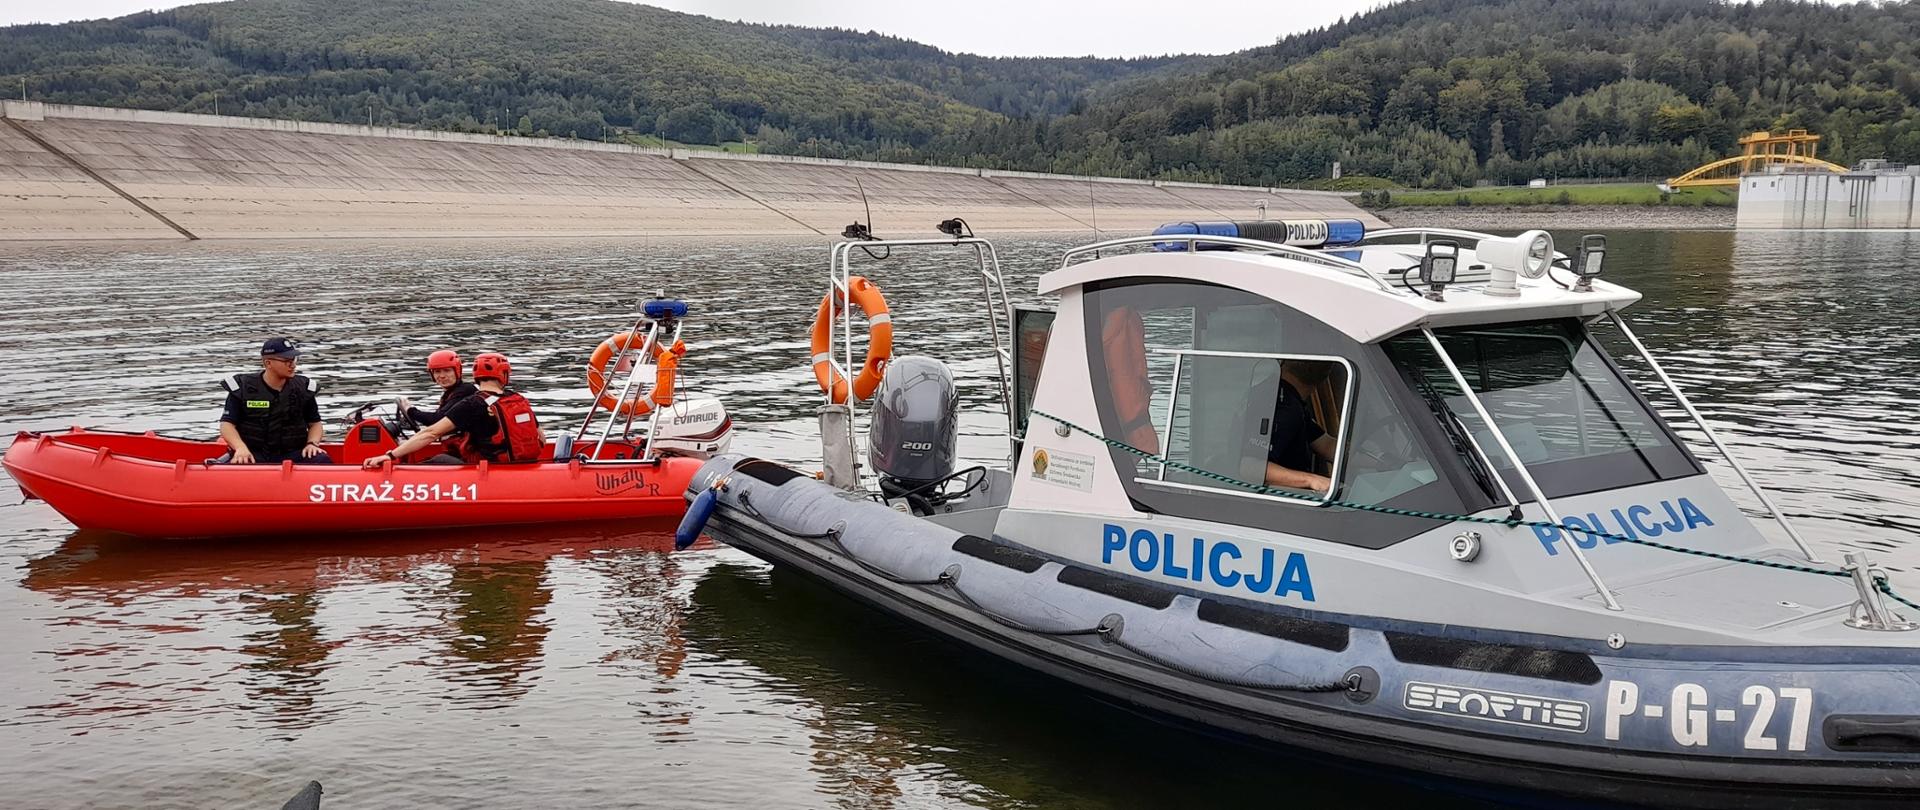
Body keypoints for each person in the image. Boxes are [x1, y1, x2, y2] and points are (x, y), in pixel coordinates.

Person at [364, 352, 546, 467]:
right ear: (504, 374)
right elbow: (542, 438)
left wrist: (390, 455)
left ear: (475, 376)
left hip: (487, 468)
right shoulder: (517, 399)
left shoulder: (472, 403)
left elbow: (431, 433)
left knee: (426, 464)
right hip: (519, 464)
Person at [219, 337, 331, 464]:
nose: (293, 365)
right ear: (268, 363)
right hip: (252, 454)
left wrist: (312, 443)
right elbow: (227, 424)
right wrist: (240, 448)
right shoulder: (242, 388)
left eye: (294, 360)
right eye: (286, 361)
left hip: (293, 453)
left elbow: (315, 423)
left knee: (322, 459)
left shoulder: (303, 388)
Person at [1263, 359, 1338, 493]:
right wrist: (1311, 480)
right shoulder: (1284, 406)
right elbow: (1250, 467)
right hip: (1277, 502)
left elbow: (1327, 445)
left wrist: (1379, 457)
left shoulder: (1288, 398)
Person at [397, 349, 478, 427]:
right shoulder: (450, 393)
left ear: (457, 371)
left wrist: (410, 411)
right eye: (437, 371)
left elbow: (438, 420)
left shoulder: (465, 391)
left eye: (447, 370)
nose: (442, 376)